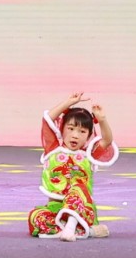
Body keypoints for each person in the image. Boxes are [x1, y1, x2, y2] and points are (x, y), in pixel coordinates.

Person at [28, 93, 117, 241]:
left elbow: (107, 141)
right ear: (62, 128)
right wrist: (69, 102)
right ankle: (88, 231)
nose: (75, 135)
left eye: (82, 131)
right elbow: (47, 119)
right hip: (56, 210)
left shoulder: (89, 155)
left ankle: (70, 227)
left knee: (78, 187)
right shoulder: (53, 149)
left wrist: (101, 120)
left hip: (82, 211)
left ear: (89, 135)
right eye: (70, 129)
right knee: (35, 217)